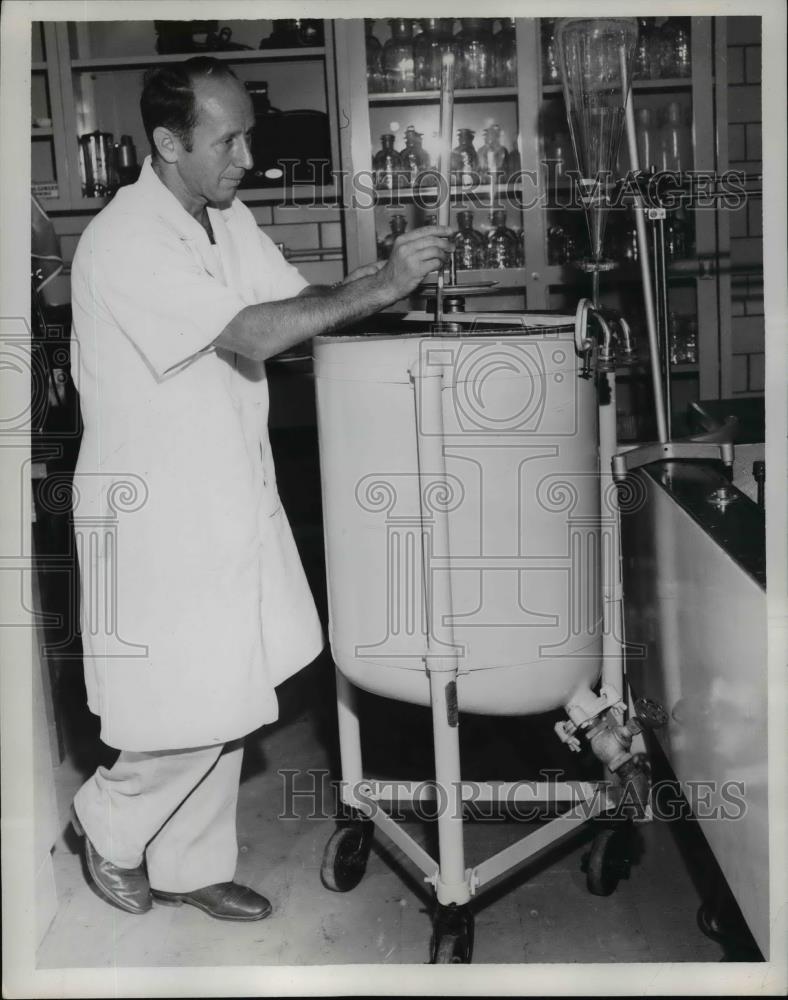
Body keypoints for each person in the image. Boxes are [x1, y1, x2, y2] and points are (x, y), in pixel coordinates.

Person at [69, 56, 452, 922]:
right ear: (167, 143)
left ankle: (186, 863)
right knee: (187, 703)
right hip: (157, 512)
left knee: (239, 685)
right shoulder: (126, 239)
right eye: (228, 139)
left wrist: (385, 285)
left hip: (228, 492)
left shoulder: (222, 218)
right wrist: (384, 284)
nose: (247, 156)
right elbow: (253, 331)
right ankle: (108, 823)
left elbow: (299, 299)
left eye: (249, 134)